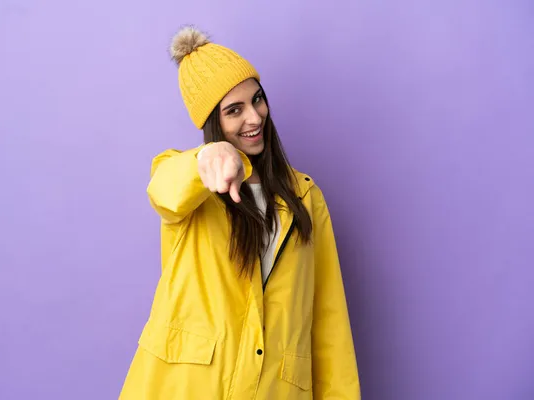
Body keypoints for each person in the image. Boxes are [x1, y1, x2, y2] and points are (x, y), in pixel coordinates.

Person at [118, 26, 360, 399]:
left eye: (257, 100)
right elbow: (163, 190)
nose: (254, 117)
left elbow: (330, 323)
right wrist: (207, 158)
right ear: (213, 123)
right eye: (234, 110)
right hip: (188, 388)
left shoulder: (306, 197)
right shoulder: (190, 185)